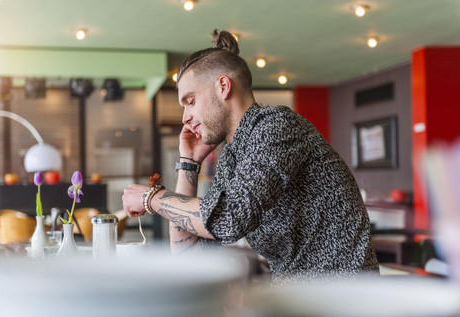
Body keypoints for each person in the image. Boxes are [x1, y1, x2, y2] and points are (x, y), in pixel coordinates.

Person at [123, 29, 378, 284]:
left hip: (345, 296)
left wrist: (152, 198)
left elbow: (230, 219)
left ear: (223, 87)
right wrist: (188, 164)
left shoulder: (277, 125)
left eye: (190, 101)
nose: (184, 117)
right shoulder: (232, 158)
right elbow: (190, 256)